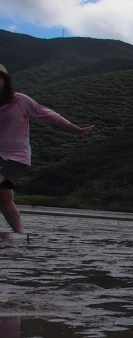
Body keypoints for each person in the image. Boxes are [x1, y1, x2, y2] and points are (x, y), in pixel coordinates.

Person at [0, 63, 95, 237]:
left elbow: (49, 115)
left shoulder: (21, 101)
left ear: (5, 81)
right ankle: (20, 236)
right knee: (4, 196)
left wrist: (77, 129)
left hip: (15, 156)